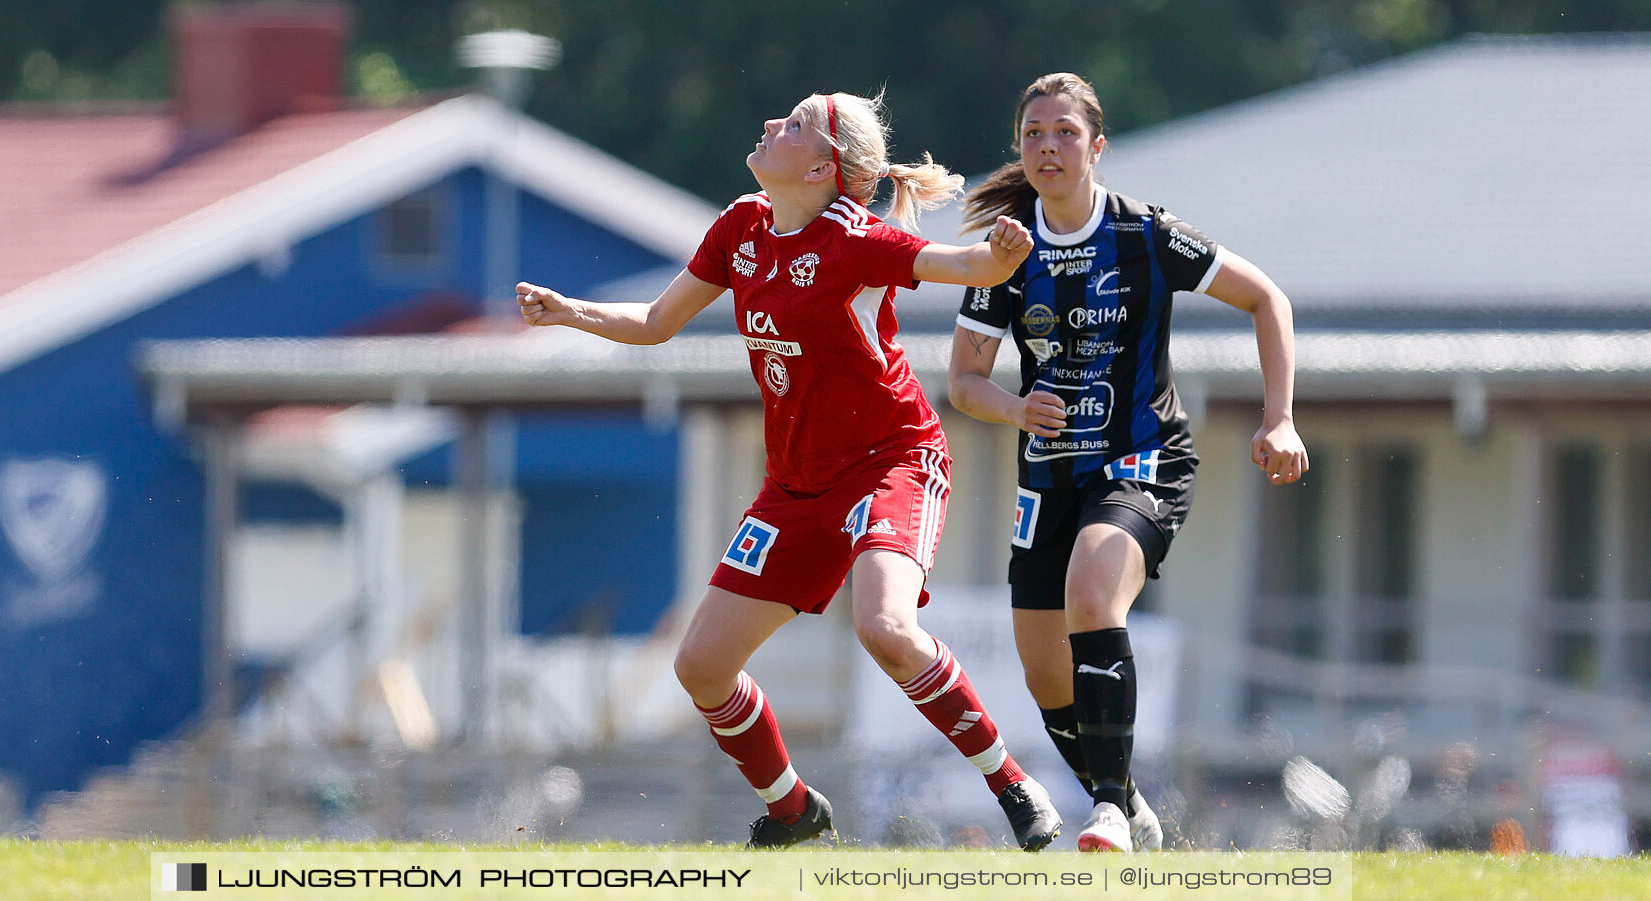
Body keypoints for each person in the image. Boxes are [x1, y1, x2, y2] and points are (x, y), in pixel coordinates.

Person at [517, 91, 1063, 849]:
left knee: (886, 627)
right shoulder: (742, 224)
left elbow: (956, 262)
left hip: (892, 461)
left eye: (797, 123)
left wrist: (997, 259)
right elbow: (655, 323)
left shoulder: (853, 238)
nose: (774, 123)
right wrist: (568, 310)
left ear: (821, 166)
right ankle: (794, 810)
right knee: (702, 666)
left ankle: (1011, 781)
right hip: (796, 484)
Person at [947, 72, 1307, 853]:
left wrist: (1279, 418)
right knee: (1047, 678)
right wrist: (1015, 407)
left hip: (1142, 459)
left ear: (1097, 146)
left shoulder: (1146, 234)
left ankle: (1108, 805)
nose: (1049, 146)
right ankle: (1133, 806)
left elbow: (1267, 299)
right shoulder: (1007, 251)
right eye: (1034, 133)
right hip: (1047, 475)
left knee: (1092, 588)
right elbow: (963, 381)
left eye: (1065, 132)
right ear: (1019, 146)